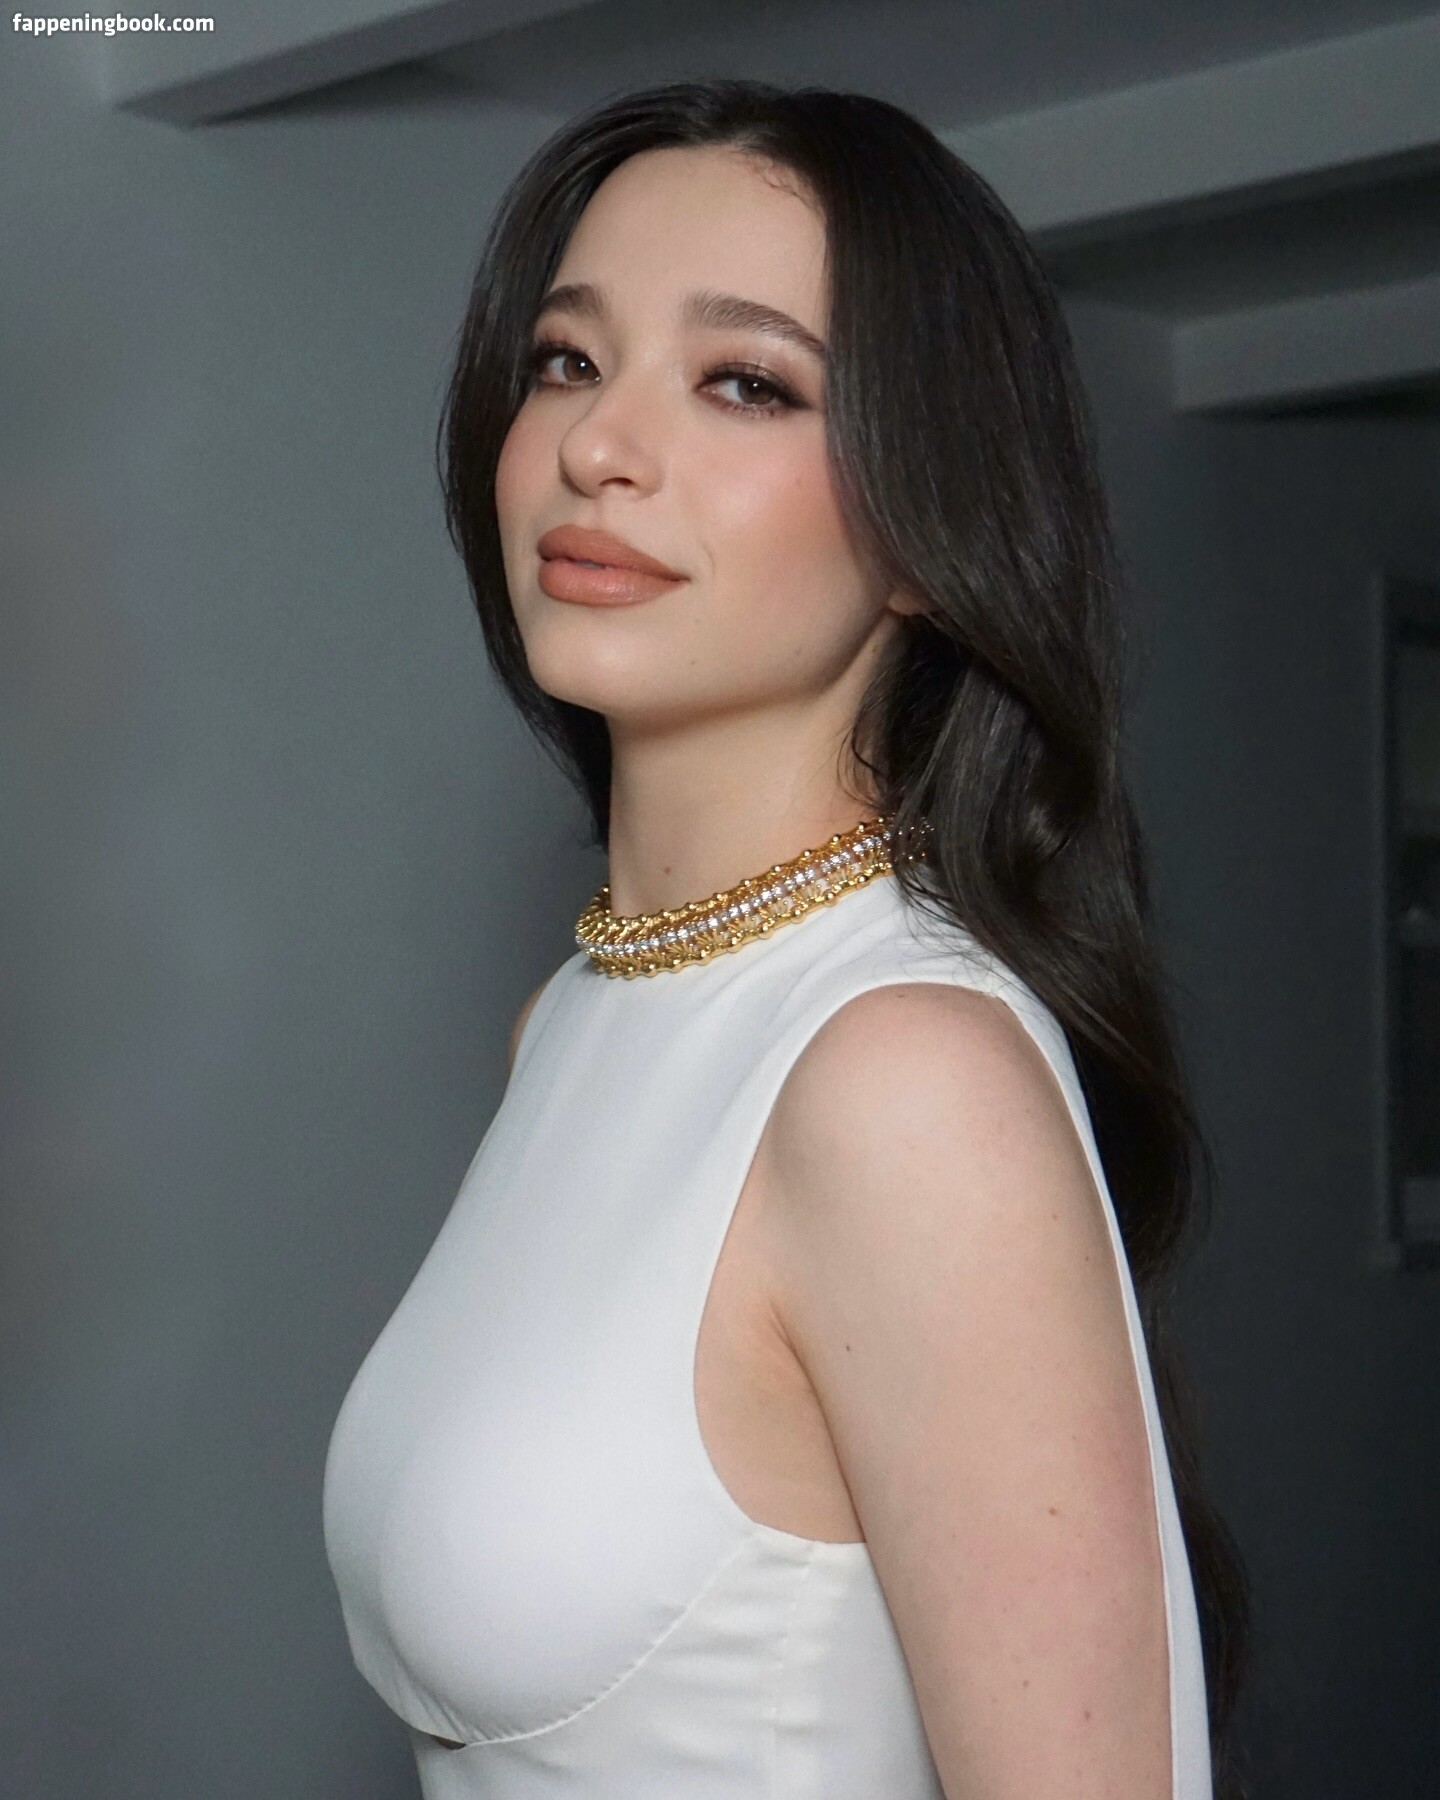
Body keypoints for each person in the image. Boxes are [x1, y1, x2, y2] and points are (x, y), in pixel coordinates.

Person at [322, 79, 1248, 1800]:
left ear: (927, 532)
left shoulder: (904, 1078)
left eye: (745, 382)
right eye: (566, 360)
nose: (600, 447)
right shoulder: (576, 1014)